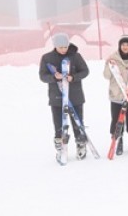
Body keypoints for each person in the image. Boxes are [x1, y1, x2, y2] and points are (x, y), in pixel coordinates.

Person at [38, 33, 90, 161]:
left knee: (77, 123)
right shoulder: (47, 58)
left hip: (75, 96)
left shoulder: (76, 56)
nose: (63, 49)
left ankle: (81, 144)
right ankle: (60, 147)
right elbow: (42, 76)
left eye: (65, 47)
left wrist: (74, 77)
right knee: (59, 125)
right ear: (55, 46)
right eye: (60, 47)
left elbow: (85, 71)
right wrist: (54, 77)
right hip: (57, 97)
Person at [103, 35, 128, 155]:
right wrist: (108, 65)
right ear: (120, 46)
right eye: (123, 45)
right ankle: (117, 140)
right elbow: (106, 76)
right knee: (116, 119)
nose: (125, 47)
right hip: (117, 95)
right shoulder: (113, 58)